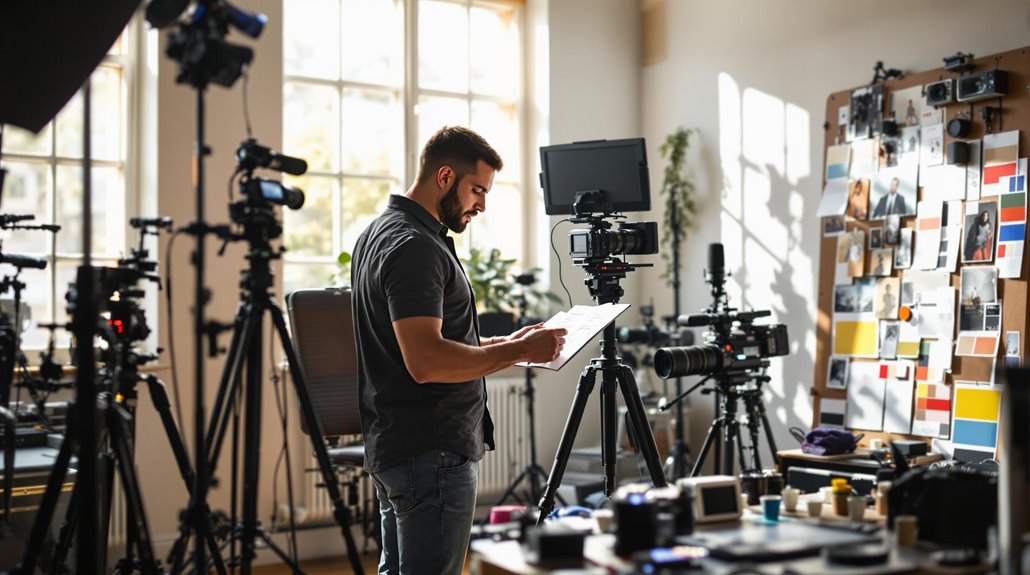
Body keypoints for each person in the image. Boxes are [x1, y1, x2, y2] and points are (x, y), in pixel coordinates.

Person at [350, 126, 567, 575]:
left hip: (398, 446)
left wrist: (510, 345)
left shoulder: (378, 232)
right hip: (431, 453)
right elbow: (427, 362)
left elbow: (421, 342)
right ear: (445, 176)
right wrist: (516, 350)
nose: (481, 205)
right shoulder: (415, 246)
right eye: (477, 190)